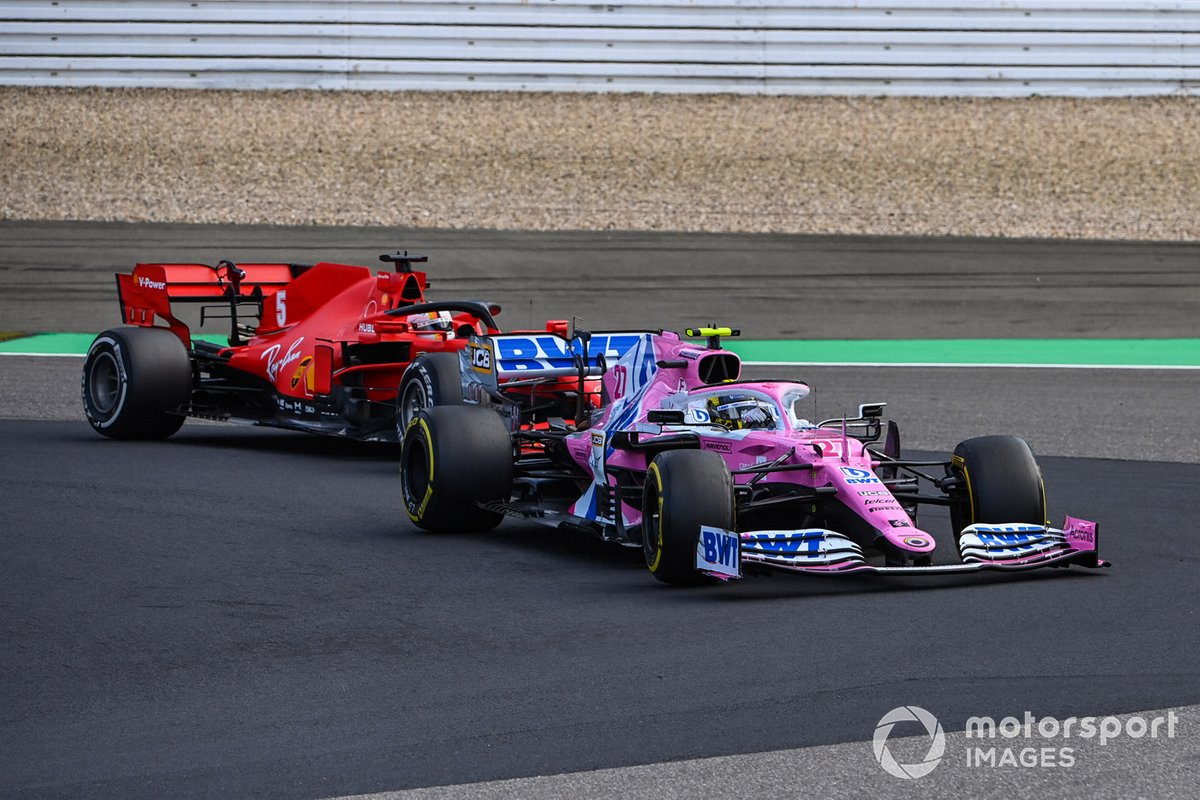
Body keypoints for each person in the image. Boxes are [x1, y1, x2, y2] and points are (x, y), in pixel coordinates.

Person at [705, 393, 778, 430]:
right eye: (731, 411)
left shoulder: (757, 422)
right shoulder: (706, 430)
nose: (743, 416)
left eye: (747, 408)